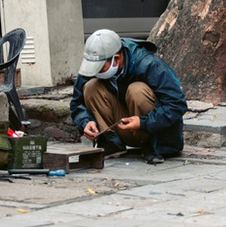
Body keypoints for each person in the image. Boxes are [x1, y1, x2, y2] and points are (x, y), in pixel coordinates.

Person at [69, 29, 187, 164]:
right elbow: (76, 103)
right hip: (123, 127)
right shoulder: (92, 67)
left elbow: (177, 104)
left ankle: (150, 145)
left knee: (136, 90)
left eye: (99, 67)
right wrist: (85, 121)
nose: (95, 71)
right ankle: (112, 143)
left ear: (117, 59)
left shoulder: (149, 64)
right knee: (91, 87)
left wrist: (143, 122)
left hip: (152, 131)